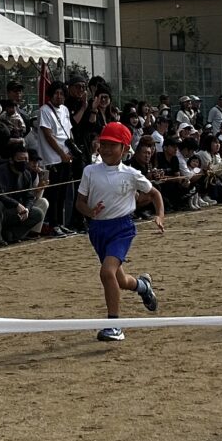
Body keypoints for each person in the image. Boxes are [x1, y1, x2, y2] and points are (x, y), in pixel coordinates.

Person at [76, 120, 163, 343]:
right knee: (120, 279)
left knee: (107, 272)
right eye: (103, 143)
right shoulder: (90, 171)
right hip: (97, 230)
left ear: (124, 149)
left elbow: (154, 193)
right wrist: (91, 211)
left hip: (122, 229)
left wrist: (159, 215)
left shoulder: (131, 174)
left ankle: (114, 325)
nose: (106, 148)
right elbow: (80, 203)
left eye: (112, 145)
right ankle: (143, 286)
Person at [31, 86, 75, 235]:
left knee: (63, 192)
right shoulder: (44, 110)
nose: (59, 96)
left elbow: (68, 131)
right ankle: (52, 224)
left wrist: (71, 150)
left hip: (66, 156)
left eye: (62, 93)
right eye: (56, 93)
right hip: (51, 158)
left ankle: (60, 224)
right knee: (53, 194)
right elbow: (48, 134)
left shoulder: (65, 110)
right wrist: (61, 153)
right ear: (50, 95)